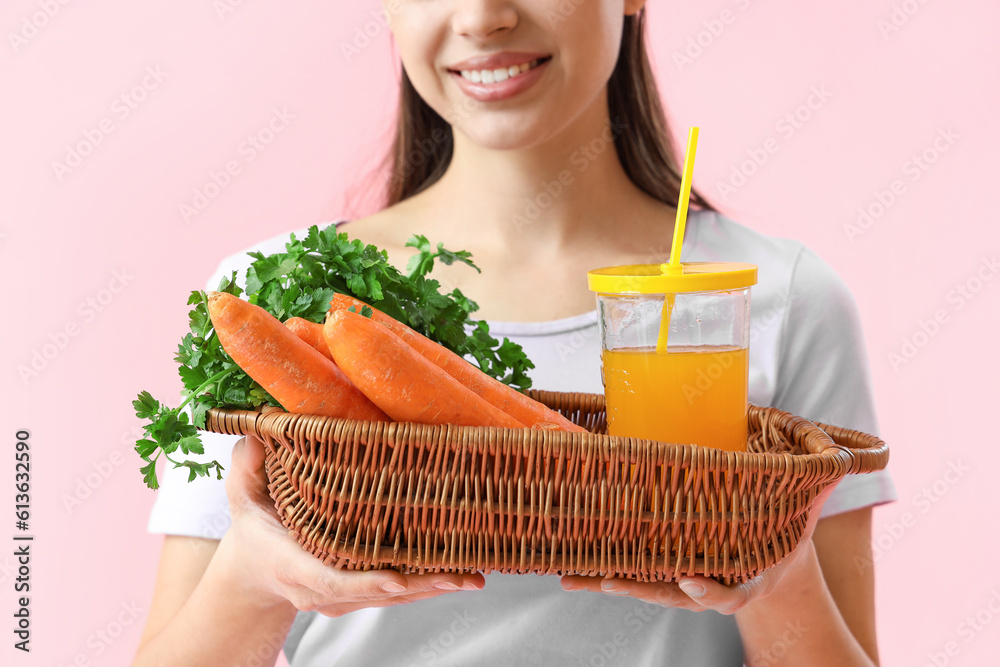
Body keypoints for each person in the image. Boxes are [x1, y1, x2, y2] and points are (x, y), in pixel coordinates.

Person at [135, 2, 896, 665]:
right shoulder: (274, 300)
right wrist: (253, 578)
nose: (481, 16)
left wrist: (774, 571)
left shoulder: (783, 299)